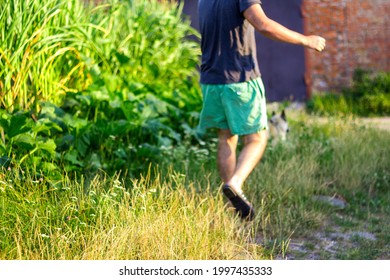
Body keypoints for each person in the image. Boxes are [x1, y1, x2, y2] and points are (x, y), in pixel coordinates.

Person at [197, 0, 326, 220]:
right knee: (257, 138)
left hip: (211, 81)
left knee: (226, 138)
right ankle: (235, 183)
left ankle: (232, 207)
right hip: (240, 80)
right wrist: (306, 39)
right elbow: (263, 25)